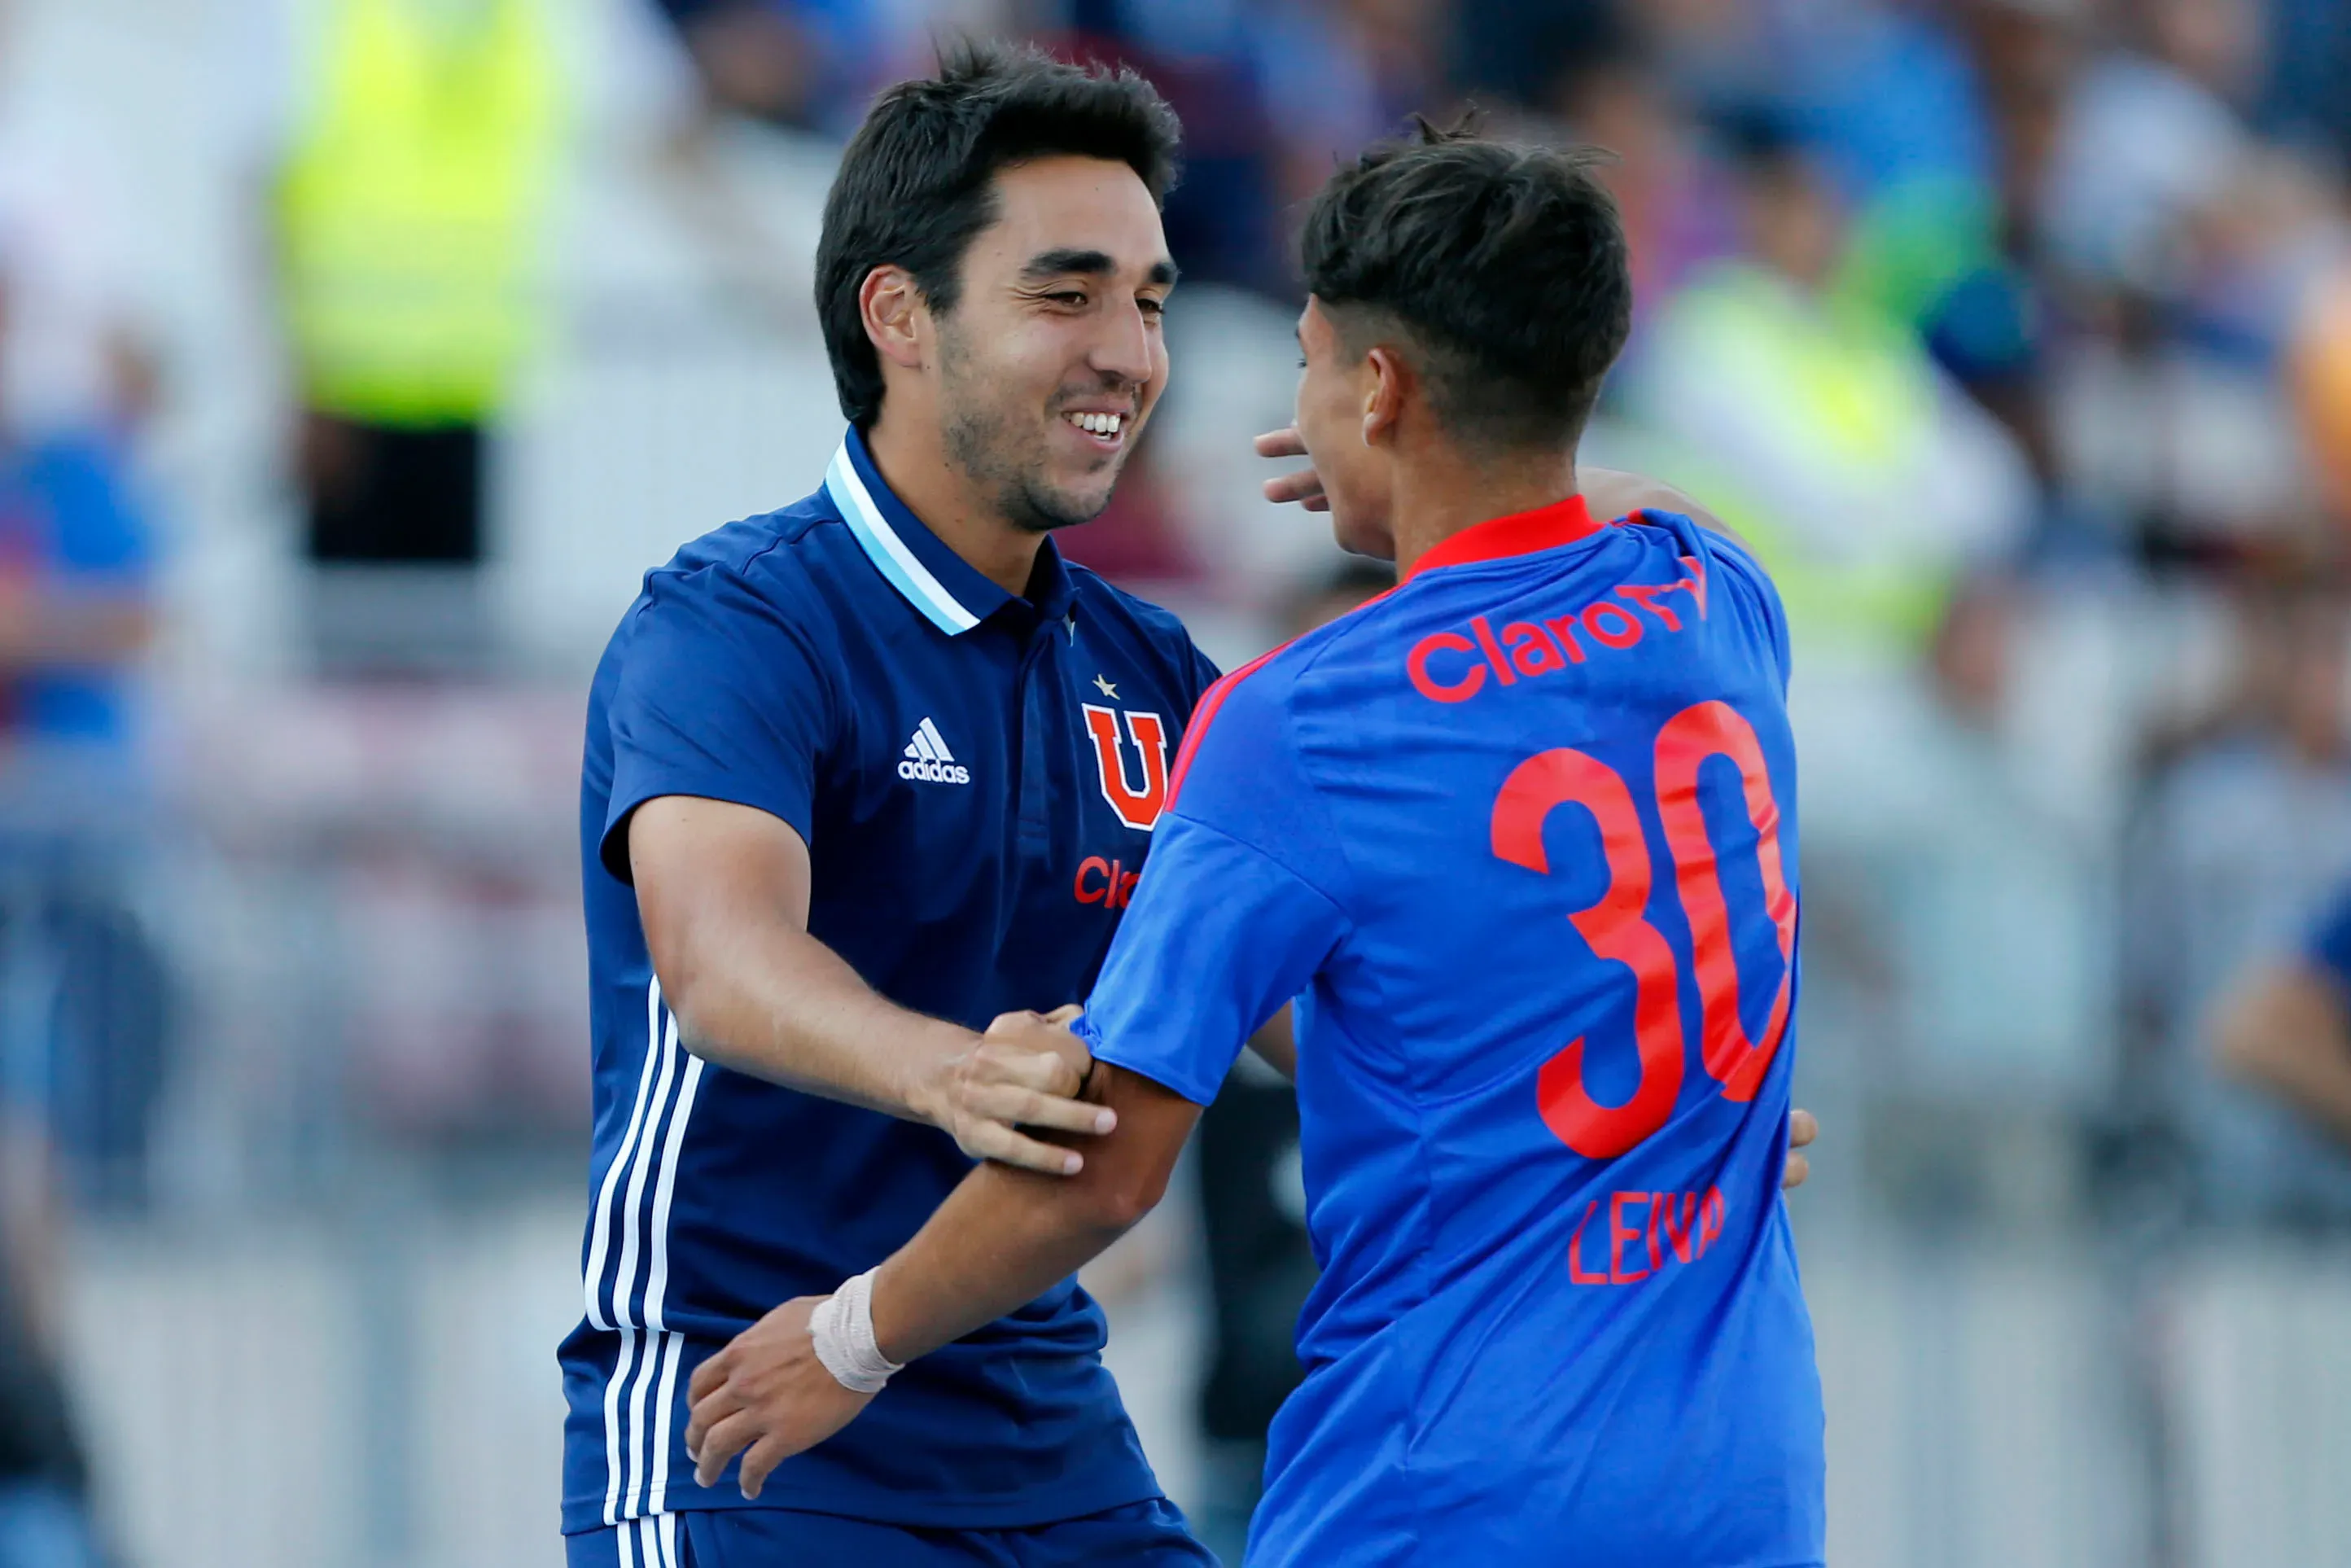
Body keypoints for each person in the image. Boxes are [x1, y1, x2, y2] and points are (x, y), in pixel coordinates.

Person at [685, 122, 1828, 1566]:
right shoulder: (1717, 605)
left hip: (1441, 1502)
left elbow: (1110, 1164)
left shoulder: (1303, 723)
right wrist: (1473, 453)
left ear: (1379, 386)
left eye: (1309, 363)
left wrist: (853, 1335)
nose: (1298, 402)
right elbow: (1648, 506)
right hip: (1742, 1493)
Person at [558, 46, 1226, 1568]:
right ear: (899, 315)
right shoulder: (735, 622)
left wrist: (1634, 1104)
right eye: (1067, 295)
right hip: (746, 1426)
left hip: (1054, 1434)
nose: (1130, 353)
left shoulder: (1155, 669)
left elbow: (1327, 1015)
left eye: (1149, 301)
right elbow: (722, 964)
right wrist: (952, 1072)